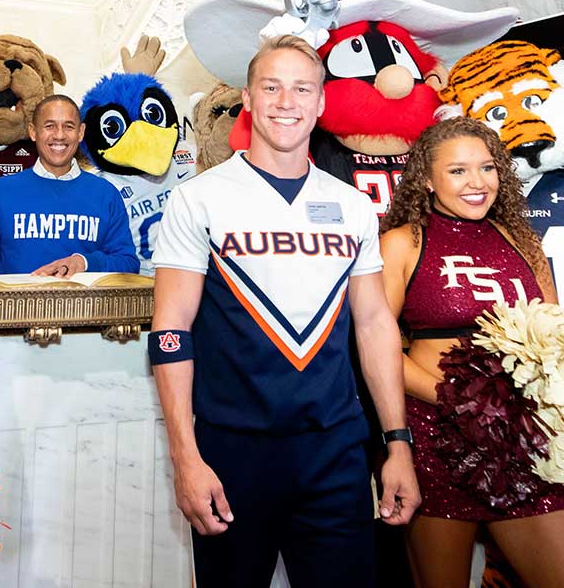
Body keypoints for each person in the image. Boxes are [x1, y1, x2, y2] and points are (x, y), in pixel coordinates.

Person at [148, 35, 420, 587]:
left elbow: (373, 325)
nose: (285, 101)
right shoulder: (198, 198)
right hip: (231, 453)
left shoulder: (351, 206)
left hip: (336, 451)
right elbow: (171, 330)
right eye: (271, 87)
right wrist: (184, 455)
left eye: (302, 88)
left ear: (321, 103)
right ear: (248, 97)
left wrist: (397, 444)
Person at [381, 117, 564, 588]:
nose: (477, 183)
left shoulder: (520, 240)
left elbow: (554, 333)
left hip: (518, 444)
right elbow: (374, 345)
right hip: (436, 439)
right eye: (458, 171)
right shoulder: (403, 242)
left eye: (487, 168)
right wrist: (454, 399)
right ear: (426, 178)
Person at [0, 94, 138, 282]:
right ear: (33, 132)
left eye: (68, 126)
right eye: (49, 126)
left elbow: (127, 263)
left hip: (84, 310)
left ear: (81, 132)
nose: (59, 135)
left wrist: (84, 262)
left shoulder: (106, 194)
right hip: (17, 309)